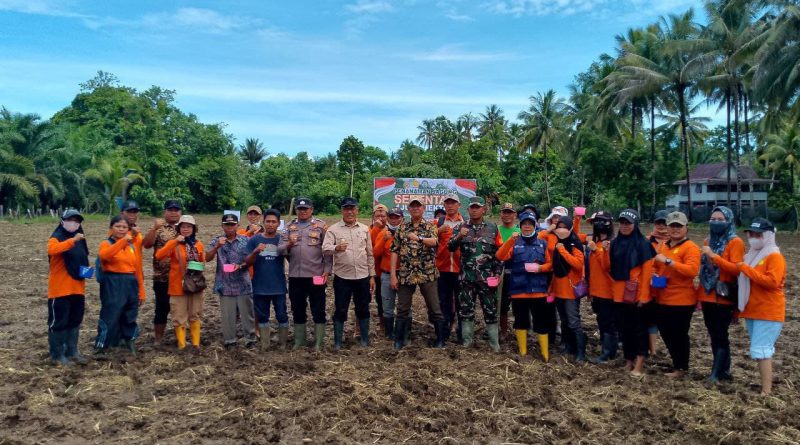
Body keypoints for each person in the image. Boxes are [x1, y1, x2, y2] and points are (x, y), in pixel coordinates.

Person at [447, 196, 503, 351]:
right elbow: (449, 247)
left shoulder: (493, 228)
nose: (474, 210)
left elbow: (500, 254)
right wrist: (459, 236)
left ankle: (494, 344)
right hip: (467, 279)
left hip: (487, 279)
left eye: (477, 207)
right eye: (472, 207)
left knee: (490, 311)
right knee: (466, 311)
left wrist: (497, 274)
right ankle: (467, 343)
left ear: (483, 209)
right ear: (468, 209)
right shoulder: (461, 227)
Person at [737, 218, 786, 395]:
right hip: (754, 310)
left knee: (761, 350)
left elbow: (772, 282)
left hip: (768, 311)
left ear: (768, 235)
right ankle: (765, 387)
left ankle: (766, 391)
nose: (753, 237)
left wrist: (745, 269)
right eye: (751, 233)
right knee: (759, 349)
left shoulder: (774, 256)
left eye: (758, 234)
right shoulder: (751, 256)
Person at [495, 212, 553, 361]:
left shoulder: (542, 243)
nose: (527, 227)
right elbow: (500, 256)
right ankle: (522, 352)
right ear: (520, 226)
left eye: (530, 224)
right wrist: (510, 241)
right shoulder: (515, 242)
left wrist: (540, 268)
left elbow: (550, 264)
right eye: (524, 224)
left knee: (541, 323)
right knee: (520, 322)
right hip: (519, 290)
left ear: (535, 226)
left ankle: (545, 353)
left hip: (539, 290)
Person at [390, 197, 446, 349]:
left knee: (434, 307)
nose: (415, 209)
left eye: (418, 206)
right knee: (402, 308)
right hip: (406, 273)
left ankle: (440, 340)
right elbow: (394, 251)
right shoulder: (402, 227)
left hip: (427, 273)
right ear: (408, 209)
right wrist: (393, 275)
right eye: (412, 206)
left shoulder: (430, 226)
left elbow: (434, 242)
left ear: (423, 208)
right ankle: (398, 341)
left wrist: (419, 238)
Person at [606, 209, 655, 376]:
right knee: (625, 330)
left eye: (628, 223)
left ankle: (639, 364)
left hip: (636, 295)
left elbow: (647, 273)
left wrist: (643, 296)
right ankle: (629, 360)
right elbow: (610, 268)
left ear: (635, 225)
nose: (625, 226)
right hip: (620, 295)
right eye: (622, 223)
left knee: (639, 331)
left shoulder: (643, 244)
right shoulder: (616, 243)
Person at [322, 197, 376, 349]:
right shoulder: (333, 229)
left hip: (362, 276)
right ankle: (338, 341)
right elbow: (325, 248)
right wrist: (336, 248)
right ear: (342, 211)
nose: (349, 212)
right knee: (340, 308)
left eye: (352, 208)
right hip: (342, 277)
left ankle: (364, 339)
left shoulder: (365, 229)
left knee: (363, 308)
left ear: (357, 210)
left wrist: (372, 275)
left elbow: (369, 253)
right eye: (346, 209)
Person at [698, 206, 743, 382]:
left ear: (729, 221)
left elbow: (736, 269)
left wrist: (714, 257)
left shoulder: (735, 242)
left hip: (723, 295)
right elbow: (703, 269)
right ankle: (723, 371)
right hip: (707, 294)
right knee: (713, 333)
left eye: (720, 219)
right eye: (713, 219)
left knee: (720, 334)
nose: (716, 222)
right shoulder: (707, 241)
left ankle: (716, 373)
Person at [653, 211, 700, 378]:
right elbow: (657, 267)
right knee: (666, 332)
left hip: (682, 300)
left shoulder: (691, 248)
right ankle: (677, 364)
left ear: (686, 228)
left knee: (679, 334)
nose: (675, 229)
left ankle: (681, 367)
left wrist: (668, 262)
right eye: (672, 226)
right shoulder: (664, 245)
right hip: (664, 297)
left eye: (678, 226)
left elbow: (691, 271)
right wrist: (655, 275)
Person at [283, 198, 332, 351]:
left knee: (318, 307)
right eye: (300, 209)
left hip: (316, 275)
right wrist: (289, 245)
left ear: (311, 210)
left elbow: (328, 250)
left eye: (306, 209)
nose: (302, 211)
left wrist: (327, 269)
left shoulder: (321, 226)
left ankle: (318, 342)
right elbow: (281, 250)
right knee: (297, 308)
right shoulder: (290, 227)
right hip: (296, 276)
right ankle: (300, 340)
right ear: (296, 210)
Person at [95, 215, 144, 356]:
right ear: (111, 228)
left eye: (124, 227)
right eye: (118, 226)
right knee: (111, 313)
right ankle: (102, 346)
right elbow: (105, 256)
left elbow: (136, 267)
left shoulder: (131, 246)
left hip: (130, 281)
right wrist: (122, 241)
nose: (121, 229)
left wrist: (140, 290)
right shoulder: (107, 243)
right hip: (113, 281)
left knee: (130, 313)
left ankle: (129, 342)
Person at [154, 215, 206, 350]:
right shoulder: (174, 244)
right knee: (179, 316)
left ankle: (196, 344)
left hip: (195, 285)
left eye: (189, 226)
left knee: (195, 314)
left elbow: (203, 261)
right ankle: (182, 345)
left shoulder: (198, 244)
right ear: (179, 229)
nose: (186, 229)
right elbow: (159, 256)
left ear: (194, 229)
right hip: (178, 286)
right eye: (183, 226)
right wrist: (174, 242)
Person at [46, 209, 89, 365]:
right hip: (60, 290)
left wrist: (87, 272)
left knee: (74, 321)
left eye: (77, 221)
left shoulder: (80, 240)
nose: (74, 223)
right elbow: (52, 250)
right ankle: (57, 355)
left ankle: (72, 351)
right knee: (58, 322)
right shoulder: (55, 238)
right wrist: (73, 241)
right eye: (70, 219)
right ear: (62, 221)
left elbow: (83, 259)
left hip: (77, 289)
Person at [207, 213, 256, 350]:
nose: (229, 227)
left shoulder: (245, 240)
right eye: (227, 224)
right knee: (228, 316)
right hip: (225, 284)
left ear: (237, 225)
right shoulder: (217, 240)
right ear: (222, 226)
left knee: (247, 314)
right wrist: (217, 247)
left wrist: (240, 266)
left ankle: (250, 339)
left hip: (243, 283)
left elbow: (251, 260)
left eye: (232, 224)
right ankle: (230, 341)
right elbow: (207, 257)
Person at [245, 209, 290, 351]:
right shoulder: (254, 240)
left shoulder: (282, 240)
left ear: (278, 224)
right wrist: (255, 251)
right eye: (268, 221)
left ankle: (283, 343)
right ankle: (265, 344)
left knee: (282, 315)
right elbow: (247, 262)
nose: (270, 224)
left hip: (278, 286)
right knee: (263, 316)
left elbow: (291, 259)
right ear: (263, 222)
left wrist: (289, 246)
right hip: (260, 286)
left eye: (273, 222)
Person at [142, 199, 182, 345]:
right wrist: (154, 228)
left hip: (181, 277)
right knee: (161, 308)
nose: (173, 212)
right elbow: (146, 244)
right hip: (162, 276)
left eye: (176, 210)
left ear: (180, 212)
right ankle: (158, 339)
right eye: (170, 210)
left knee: (180, 309)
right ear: (165, 212)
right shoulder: (159, 228)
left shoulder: (185, 227)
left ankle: (181, 338)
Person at [549, 215, 587, 361]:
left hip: (571, 291)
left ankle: (580, 352)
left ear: (570, 228)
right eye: (559, 227)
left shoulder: (574, 244)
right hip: (559, 289)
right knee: (564, 320)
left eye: (565, 227)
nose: (561, 230)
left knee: (573, 321)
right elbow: (555, 268)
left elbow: (578, 264)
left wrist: (563, 250)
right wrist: (551, 287)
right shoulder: (557, 244)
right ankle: (568, 346)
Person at [584, 211, 617, 363]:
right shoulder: (595, 243)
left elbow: (608, 267)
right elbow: (592, 269)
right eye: (595, 222)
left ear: (609, 223)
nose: (598, 224)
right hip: (596, 290)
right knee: (602, 321)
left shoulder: (612, 243)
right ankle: (606, 348)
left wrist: (597, 251)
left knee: (608, 322)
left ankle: (608, 352)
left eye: (601, 221)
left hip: (608, 291)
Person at [435, 193, 464, 342]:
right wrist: (437, 232)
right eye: (448, 203)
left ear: (459, 205)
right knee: (442, 302)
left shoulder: (466, 222)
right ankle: (443, 334)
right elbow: (427, 237)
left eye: (453, 203)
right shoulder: (438, 222)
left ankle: (461, 334)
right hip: (442, 269)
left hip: (461, 269)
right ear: (444, 205)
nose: (450, 205)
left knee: (461, 302)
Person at [373, 207, 404, 339]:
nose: (394, 220)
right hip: (385, 274)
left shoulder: (407, 232)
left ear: (402, 218)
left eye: (397, 217)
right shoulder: (383, 232)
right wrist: (384, 239)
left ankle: (403, 332)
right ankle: (389, 333)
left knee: (404, 306)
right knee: (387, 306)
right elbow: (375, 253)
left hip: (403, 274)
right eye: (391, 217)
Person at [646, 209, 670, 356]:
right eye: (658, 222)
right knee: (651, 319)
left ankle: (669, 347)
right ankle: (653, 349)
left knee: (667, 320)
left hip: (670, 287)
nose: (661, 226)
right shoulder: (648, 240)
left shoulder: (675, 241)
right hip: (650, 286)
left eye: (664, 222)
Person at [497, 203, 521, 343]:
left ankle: (520, 330)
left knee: (518, 302)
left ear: (514, 215)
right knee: (502, 303)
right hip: (500, 270)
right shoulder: (496, 230)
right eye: (504, 212)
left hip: (516, 270)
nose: (506, 215)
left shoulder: (520, 231)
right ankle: (503, 331)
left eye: (509, 212)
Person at [120, 200, 145, 303]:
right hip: (122, 279)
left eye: (134, 212)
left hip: (136, 277)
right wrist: (133, 235)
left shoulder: (137, 231)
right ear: (122, 213)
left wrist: (141, 290)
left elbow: (138, 261)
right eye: (129, 212)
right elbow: (118, 251)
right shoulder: (118, 231)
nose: (132, 215)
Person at [370, 204, 389, 328]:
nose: (380, 218)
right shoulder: (369, 229)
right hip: (372, 269)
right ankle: (359, 326)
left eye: (383, 215)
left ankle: (385, 322)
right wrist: (376, 228)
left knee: (384, 298)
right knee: (368, 297)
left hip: (385, 269)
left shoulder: (390, 229)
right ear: (373, 216)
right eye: (378, 215)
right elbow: (369, 247)